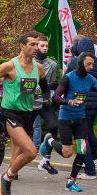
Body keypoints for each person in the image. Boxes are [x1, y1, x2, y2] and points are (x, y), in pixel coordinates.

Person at [0, 33, 45, 195]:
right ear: (22, 46)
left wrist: (46, 105)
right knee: (31, 151)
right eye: (32, 44)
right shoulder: (9, 66)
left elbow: (45, 89)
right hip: (10, 114)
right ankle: (6, 178)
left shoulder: (39, 68)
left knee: (14, 162)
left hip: (27, 115)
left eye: (37, 44)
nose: (36, 48)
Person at [44, 50, 97, 193]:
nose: (91, 67)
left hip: (81, 119)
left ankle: (71, 181)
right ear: (80, 64)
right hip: (66, 118)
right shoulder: (69, 78)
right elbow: (56, 97)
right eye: (88, 64)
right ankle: (49, 141)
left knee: (82, 150)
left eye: (92, 64)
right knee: (67, 153)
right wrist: (69, 101)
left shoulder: (90, 78)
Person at [33, 38, 61, 173]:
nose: (45, 48)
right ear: (35, 47)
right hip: (28, 102)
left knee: (54, 126)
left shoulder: (53, 65)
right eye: (42, 45)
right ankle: (13, 169)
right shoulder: (28, 63)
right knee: (26, 130)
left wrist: (52, 91)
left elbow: (51, 84)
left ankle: (45, 160)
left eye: (46, 46)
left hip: (44, 100)